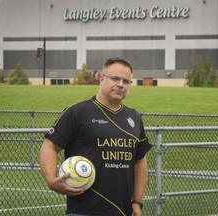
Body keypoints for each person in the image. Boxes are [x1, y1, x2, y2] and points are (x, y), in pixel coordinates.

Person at [40, 57, 152, 216]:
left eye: (126, 81)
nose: (120, 84)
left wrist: (137, 201)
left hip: (124, 211)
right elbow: (50, 145)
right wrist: (51, 180)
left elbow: (140, 160)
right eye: (115, 78)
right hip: (84, 211)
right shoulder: (78, 112)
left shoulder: (133, 117)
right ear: (101, 79)